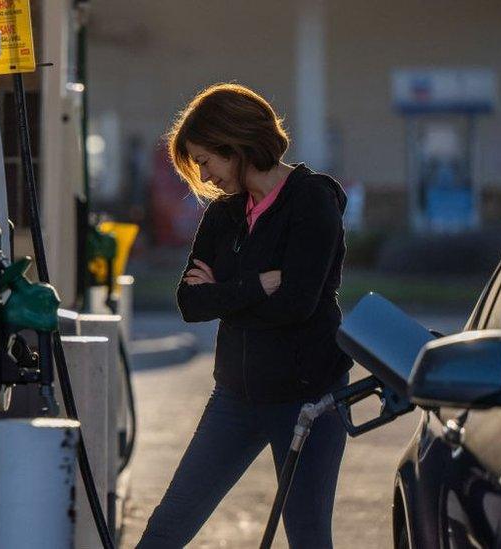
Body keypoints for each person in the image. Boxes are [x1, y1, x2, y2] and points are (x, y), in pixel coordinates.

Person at [137, 83, 353, 548]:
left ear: (233, 144)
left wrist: (226, 296)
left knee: (309, 537)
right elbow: (190, 303)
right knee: (168, 526)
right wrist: (257, 286)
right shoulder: (224, 214)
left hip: (309, 400)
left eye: (205, 161)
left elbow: (298, 305)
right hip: (235, 397)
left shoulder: (311, 200)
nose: (205, 175)